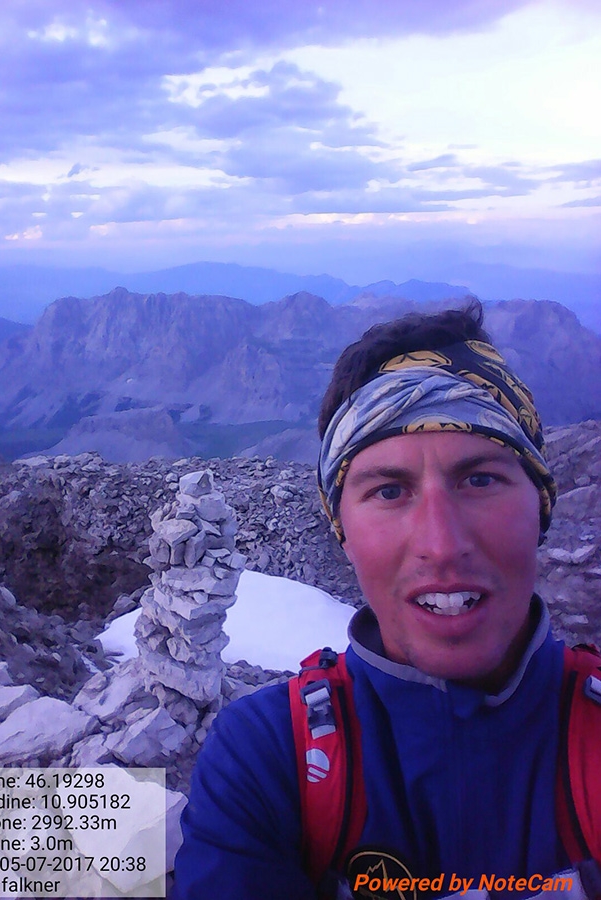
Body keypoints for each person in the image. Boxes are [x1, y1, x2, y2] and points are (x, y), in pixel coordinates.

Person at [171, 301, 598, 899]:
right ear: (340, 527)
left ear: (541, 505)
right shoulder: (266, 761)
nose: (441, 544)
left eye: (480, 479)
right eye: (390, 490)